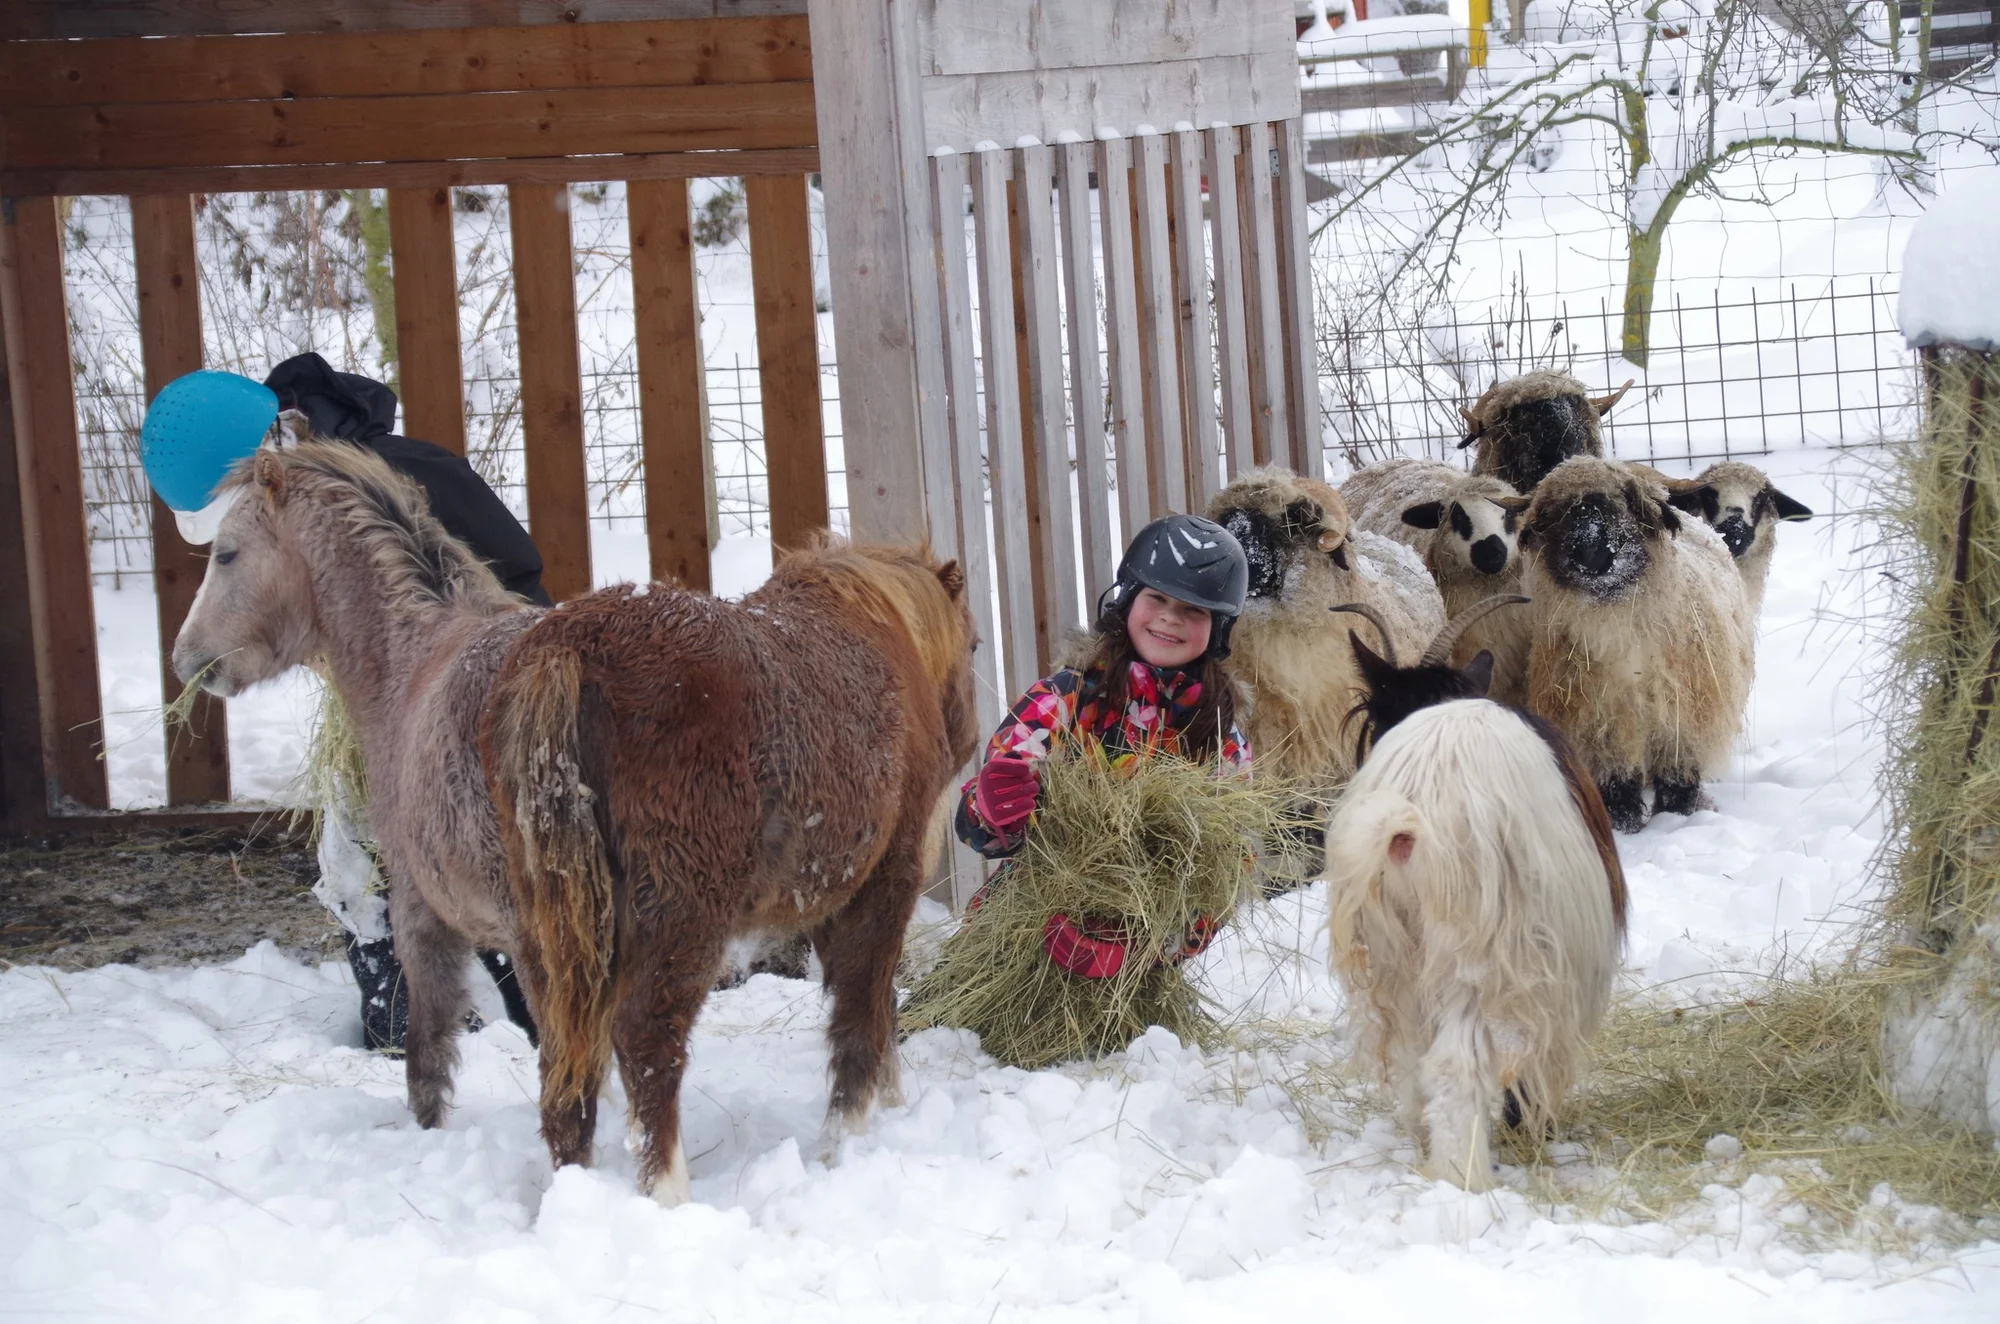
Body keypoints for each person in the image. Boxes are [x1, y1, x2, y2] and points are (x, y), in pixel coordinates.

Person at [140, 353, 544, 1051]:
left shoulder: (404, 479)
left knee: (489, 852)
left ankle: (535, 1007)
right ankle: (397, 1002)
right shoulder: (295, 500)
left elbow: (519, 586)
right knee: (355, 846)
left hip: (479, 708)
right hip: (387, 714)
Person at [955, 513, 1252, 978]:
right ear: (1128, 597)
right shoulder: (1063, 699)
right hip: (1025, 932)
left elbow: (1225, 874)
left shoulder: (1217, 732)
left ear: (1218, 629)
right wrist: (989, 807)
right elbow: (983, 831)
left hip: (1139, 955)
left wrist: (1153, 947)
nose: (1170, 617)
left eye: (1194, 610)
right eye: (1157, 597)